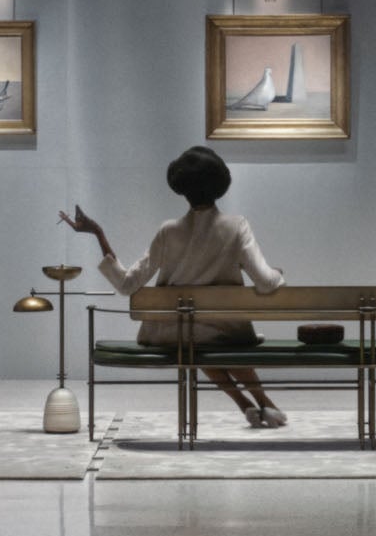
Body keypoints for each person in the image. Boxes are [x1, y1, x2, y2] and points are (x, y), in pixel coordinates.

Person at [58, 146, 289, 427]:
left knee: (194, 338)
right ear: (221, 184)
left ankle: (247, 406)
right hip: (221, 331)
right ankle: (266, 403)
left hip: (170, 332)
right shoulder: (236, 226)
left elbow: (127, 284)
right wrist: (278, 274)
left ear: (181, 189)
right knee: (214, 335)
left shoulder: (168, 231)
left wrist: (98, 233)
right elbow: (266, 282)